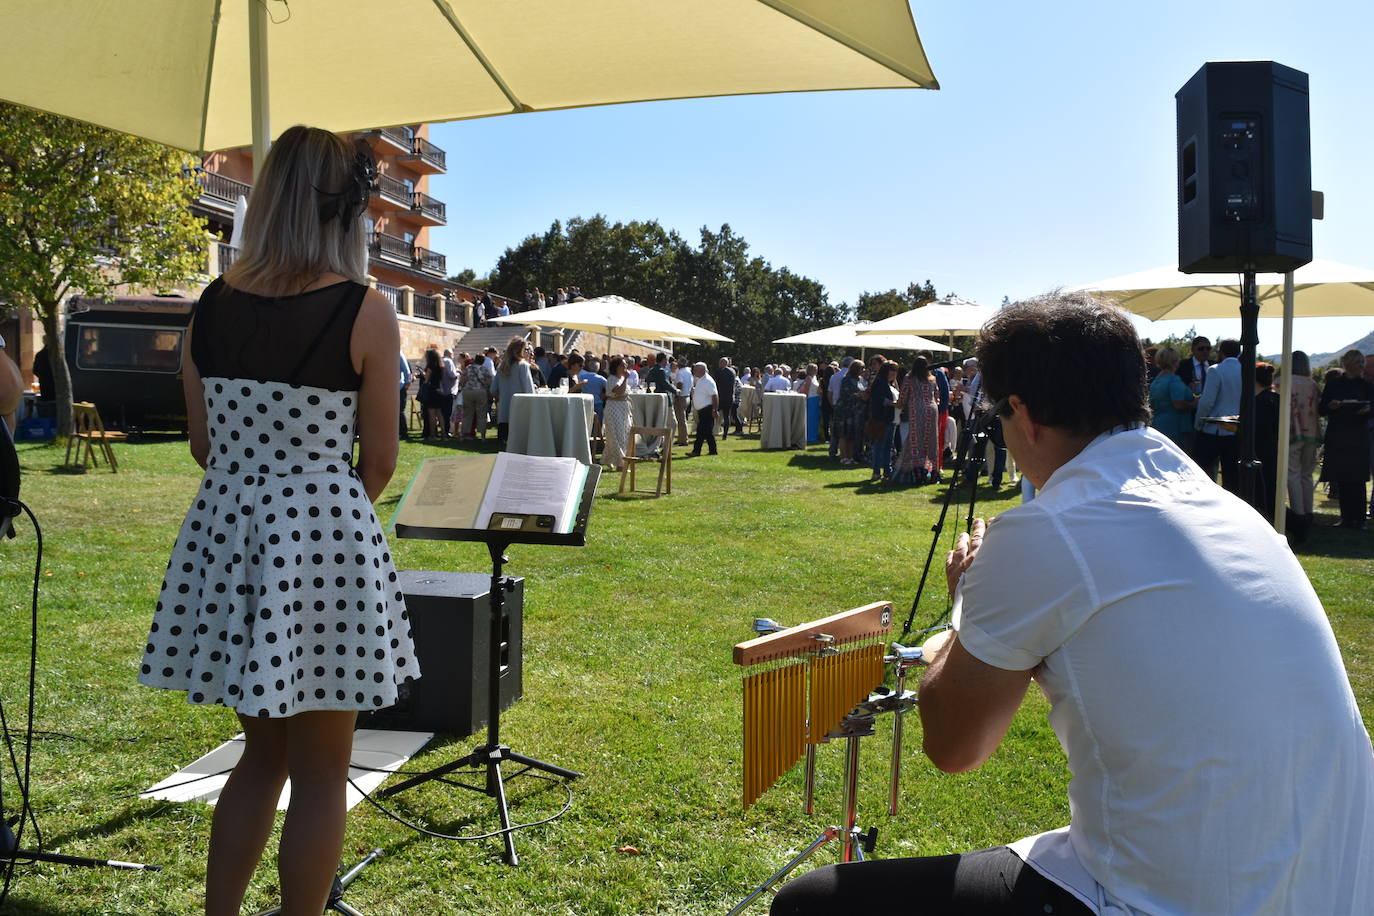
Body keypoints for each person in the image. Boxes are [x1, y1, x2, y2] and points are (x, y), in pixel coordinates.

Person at [772, 291, 1374, 916]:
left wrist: (965, 609)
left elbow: (954, 746)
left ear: (1023, 415)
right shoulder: (1231, 511)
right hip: (1337, 884)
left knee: (812, 904)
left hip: (1173, 898)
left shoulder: (1049, 529)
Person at [137, 126, 418, 916]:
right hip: (326, 539)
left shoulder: (213, 305)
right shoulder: (364, 309)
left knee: (259, 757)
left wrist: (256, 490)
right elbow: (383, 459)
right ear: (345, 210)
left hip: (232, 533)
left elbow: (202, 443)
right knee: (326, 770)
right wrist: (317, 498)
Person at [1318, 349, 1374, 530]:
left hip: (1358, 435)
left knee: (1358, 479)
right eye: (1358, 362)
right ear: (1348, 364)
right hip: (1339, 434)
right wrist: (1332, 406)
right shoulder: (1334, 385)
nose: (1361, 366)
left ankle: (1360, 519)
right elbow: (1321, 409)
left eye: (1362, 363)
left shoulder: (1367, 386)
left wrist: (1368, 410)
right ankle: (1346, 518)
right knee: (1342, 477)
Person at [1192, 337, 1242, 492]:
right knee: (1232, 474)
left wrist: (1198, 423)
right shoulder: (1246, 370)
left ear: (1221, 352)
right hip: (1236, 427)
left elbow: (1207, 402)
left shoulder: (1215, 370)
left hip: (1214, 428)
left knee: (1202, 469)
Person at [1285, 350, 1321, 543]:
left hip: (1292, 432)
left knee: (1293, 474)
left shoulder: (1286, 381)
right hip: (1312, 432)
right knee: (1306, 474)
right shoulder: (1313, 384)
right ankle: (1308, 511)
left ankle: (1298, 515)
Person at [895, 356, 939, 484]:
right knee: (931, 440)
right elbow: (937, 396)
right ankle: (934, 471)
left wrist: (898, 407)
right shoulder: (932, 379)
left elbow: (903, 396)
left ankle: (918, 471)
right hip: (932, 409)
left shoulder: (910, 378)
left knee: (916, 440)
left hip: (917, 409)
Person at [1146, 346, 1195, 448]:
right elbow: (1178, 404)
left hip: (1158, 424)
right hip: (1175, 426)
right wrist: (1195, 403)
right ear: (1174, 361)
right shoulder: (1174, 380)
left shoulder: (1156, 381)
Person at [490, 336, 535, 442]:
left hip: (503, 414)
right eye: (526, 349)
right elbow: (529, 391)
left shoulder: (501, 366)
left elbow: (493, 389)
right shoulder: (523, 366)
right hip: (519, 414)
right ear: (521, 350)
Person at [1253, 362, 1281, 515]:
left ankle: (1297, 524)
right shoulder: (1277, 399)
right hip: (1275, 448)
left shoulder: (1257, 402)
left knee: (1264, 492)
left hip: (1262, 449)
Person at [865, 360, 899, 482]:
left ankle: (886, 471)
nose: (894, 373)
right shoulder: (879, 382)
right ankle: (876, 472)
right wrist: (895, 404)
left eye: (896, 371)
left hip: (890, 419)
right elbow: (880, 400)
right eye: (892, 370)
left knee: (887, 447)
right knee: (879, 447)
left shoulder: (889, 383)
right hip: (881, 420)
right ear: (886, 370)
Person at [601, 357, 633, 470]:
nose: (625, 368)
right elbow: (618, 391)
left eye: (626, 365)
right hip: (614, 407)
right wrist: (626, 379)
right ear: (616, 367)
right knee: (617, 435)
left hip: (623, 408)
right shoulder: (612, 378)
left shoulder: (622, 378)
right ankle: (620, 463)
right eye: (622, 365)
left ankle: (608, 459)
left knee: (623, 434)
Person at [459, 349, 493, 439]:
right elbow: (489, 381)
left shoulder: (468, 368)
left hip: (468, 391)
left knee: (467, 414)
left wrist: (462, 388)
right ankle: (482, 435)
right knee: (481, 414)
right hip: (481, 391)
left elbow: (462, 380)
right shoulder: (484, 369)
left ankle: (464, 434)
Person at [687, 361, 718, 457]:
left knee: (701, 431)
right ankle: (713, 450)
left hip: (707, 409)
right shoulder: (700, 379)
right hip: (702, 409)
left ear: (702, 370)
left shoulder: (708, 381)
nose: (694, 371)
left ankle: (696, 451)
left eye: (696, 370)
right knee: (707, 432)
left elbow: (715, 396)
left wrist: (714, 410)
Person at [711, 357, 740, 440]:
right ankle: (725, 435)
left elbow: (715, 383)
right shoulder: (733, 371)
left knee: (714, 414)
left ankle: (712, 431)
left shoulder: (718, 372)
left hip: (720, 396)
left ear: (721, 363)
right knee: (726, 416)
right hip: (729, 397)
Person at [674, 357, 694, 446]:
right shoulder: (689, 371)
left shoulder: (680, 372)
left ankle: (684, 439)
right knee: (682, 419)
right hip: (687, 395)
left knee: (681, 420)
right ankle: (681, 438)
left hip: (681, 396)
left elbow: (680, 384)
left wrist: (676, 393)